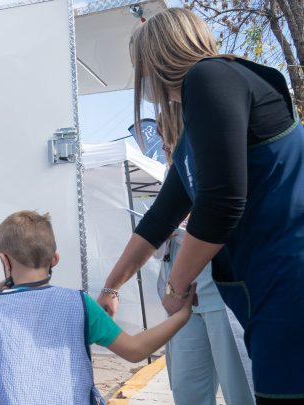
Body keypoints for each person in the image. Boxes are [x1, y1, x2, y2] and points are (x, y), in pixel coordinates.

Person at [97, 8, 304, 404]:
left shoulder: (209, 77)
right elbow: (161, 215)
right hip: (267, 288)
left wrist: (177, 285)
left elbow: (222, 201)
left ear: (154, 59)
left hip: (289, 281)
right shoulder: (197, 127)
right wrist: (112, 285)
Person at [0, 211, 196, 405]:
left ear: (4, 261)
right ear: (55, 259)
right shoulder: (80, 304)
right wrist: (182, 316)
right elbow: (135, 350)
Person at [157, 224, 255, 404]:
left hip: (223, 295)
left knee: (240, 388)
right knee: (186, 387)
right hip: (182, 297)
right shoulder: (178, 195)